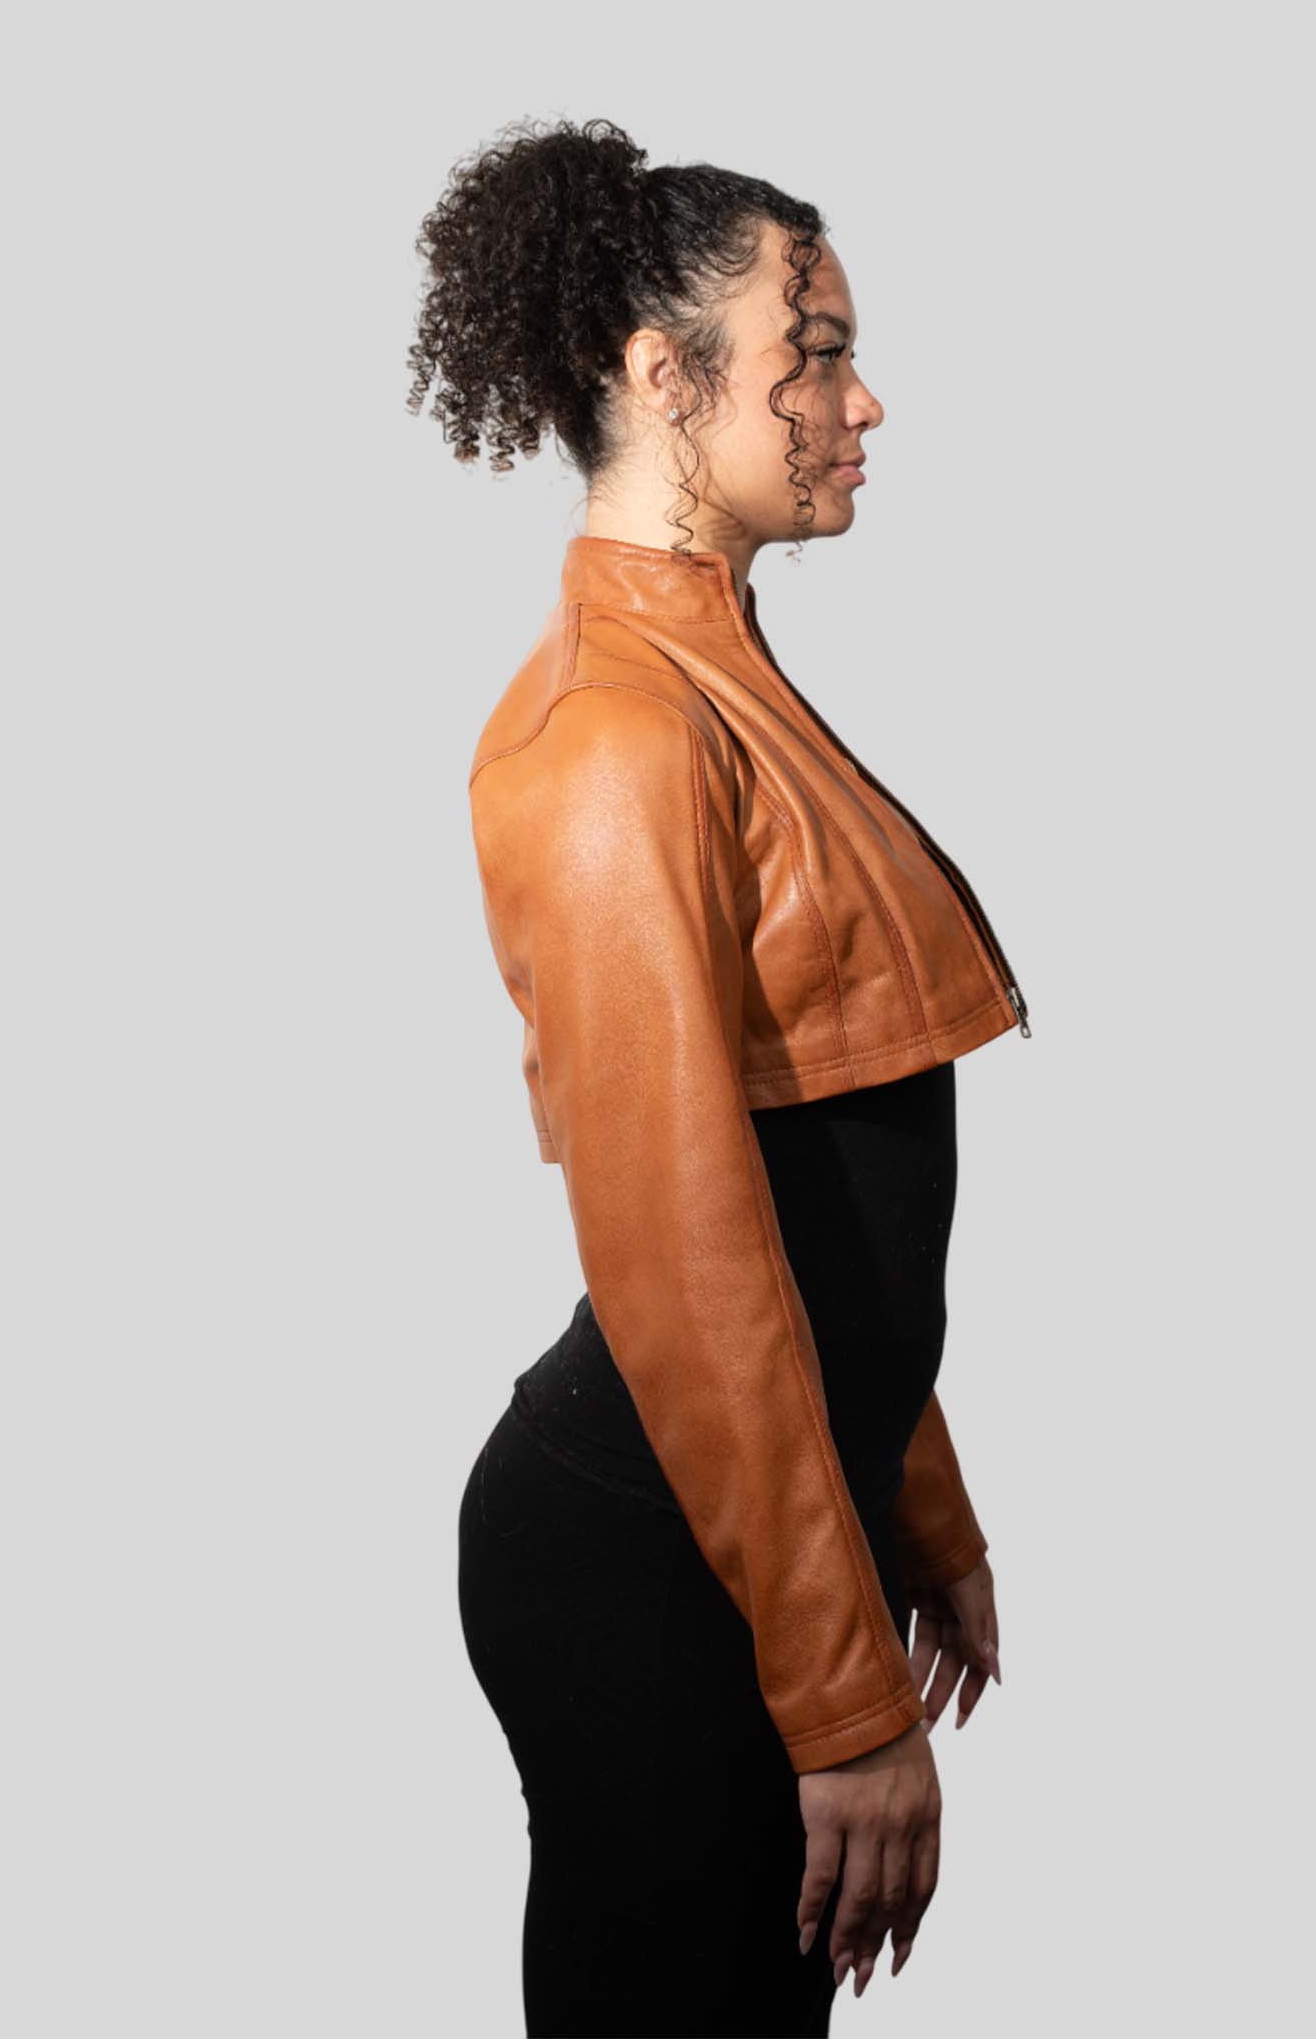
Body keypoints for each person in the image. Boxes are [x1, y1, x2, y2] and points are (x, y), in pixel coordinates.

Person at [408, 114, 1028, 2038]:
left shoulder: (718, 680)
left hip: (745, 1520)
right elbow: (683, 1253)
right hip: (644, 1560)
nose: (860, 401)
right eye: (812, 353)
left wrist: (915, 1499)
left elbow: (815, 1185)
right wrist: (841, 1704)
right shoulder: (613, 731)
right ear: (660, 376)